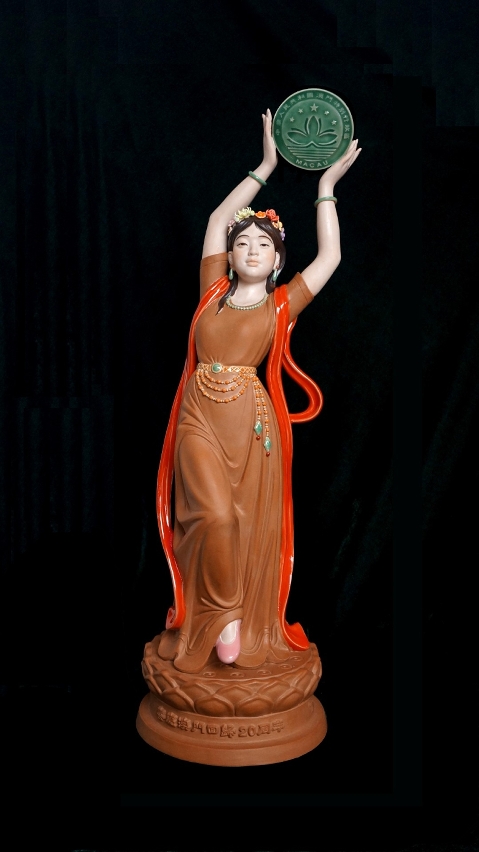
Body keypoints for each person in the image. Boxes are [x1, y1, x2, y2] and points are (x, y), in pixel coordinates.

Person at [156, 110, 361, 674]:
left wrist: (326, 188)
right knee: (212, 516)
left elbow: (331, 257)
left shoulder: (280, 305)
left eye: (262, 245)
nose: (249, 249)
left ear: (276, 261)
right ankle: (220, 615)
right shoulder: (212, 290)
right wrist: (266, 167)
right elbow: (218, 217)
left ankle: (241, 618)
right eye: (242, 242)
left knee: (244, 526)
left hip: (250, 425)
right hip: (200, 414)